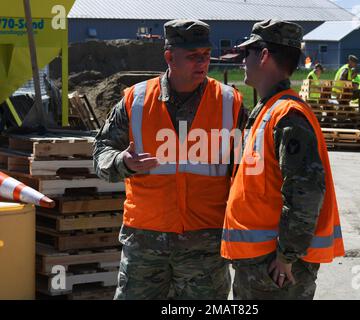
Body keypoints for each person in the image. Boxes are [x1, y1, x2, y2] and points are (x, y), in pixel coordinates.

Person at [93, 19, 246, 300]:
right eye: (192, 56)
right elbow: (101, 152)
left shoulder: (229, 102)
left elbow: (245, 172)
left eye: (206, 55)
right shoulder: (135, 101)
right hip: (145, 243)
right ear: (169, 57)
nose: (202, 63)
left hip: (205, 246)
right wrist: (122, 162)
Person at [220, 19, 345, 300]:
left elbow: (306, 190)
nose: (243, 60)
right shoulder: (266, 111)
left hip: (275, 269)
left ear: (264, 55)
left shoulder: (287, 115)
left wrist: (287, 255)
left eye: (248, 53)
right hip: (261, 263)